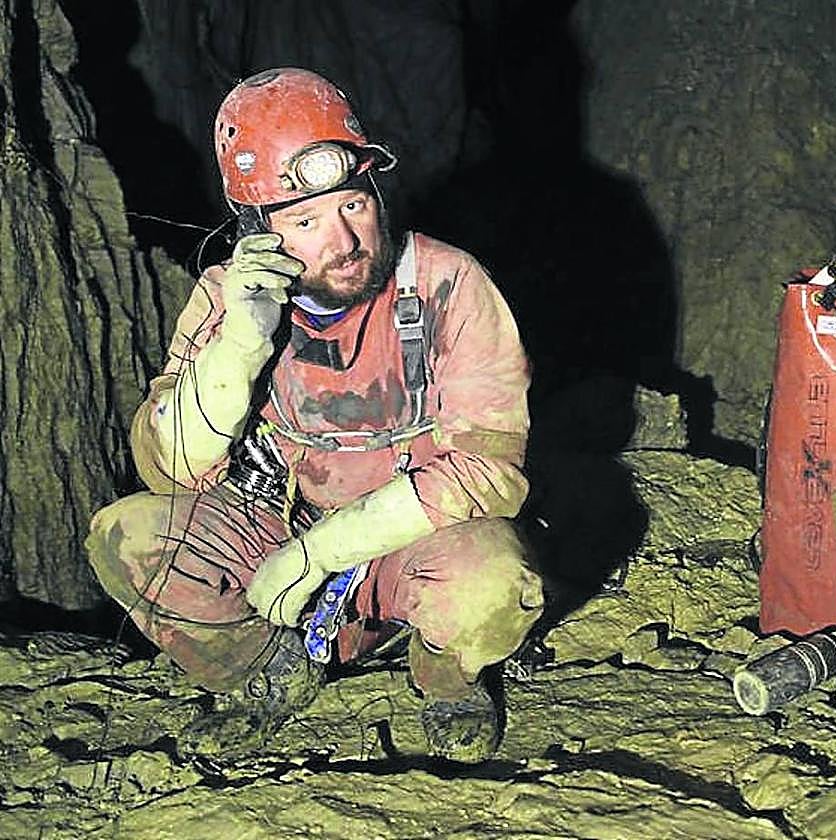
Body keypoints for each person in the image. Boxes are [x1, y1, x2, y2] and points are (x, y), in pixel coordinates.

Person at [85, 67, 543, 764]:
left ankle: (446, 678)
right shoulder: (225, 299)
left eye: (353, 205)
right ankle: (270, 671)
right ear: (257, 231)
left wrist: (319, 554)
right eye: (305, 221)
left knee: (495, 586)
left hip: (411, 540)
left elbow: (489, 471)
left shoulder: (449, 283)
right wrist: (239, 344)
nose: (346, 239)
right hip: (276, 517)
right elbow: (169, 467)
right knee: (126, 538)